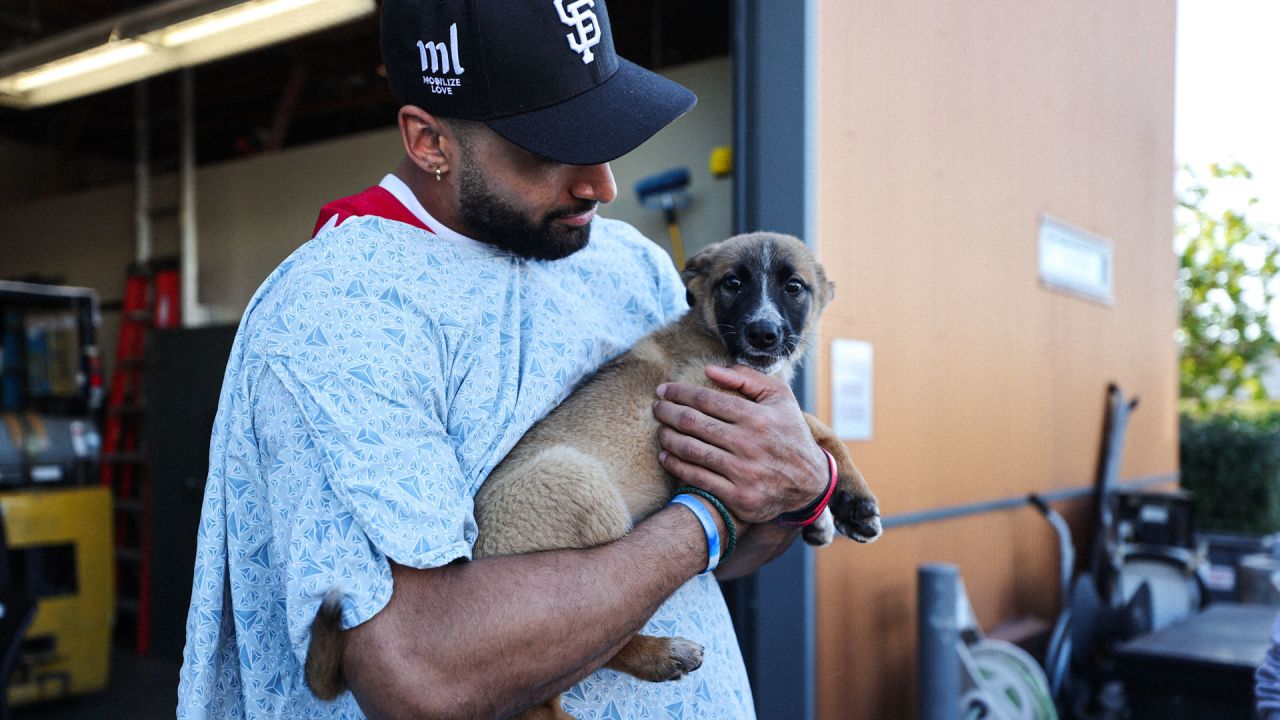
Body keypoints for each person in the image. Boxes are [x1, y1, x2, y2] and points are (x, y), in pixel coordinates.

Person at [176, 1, 833, 717]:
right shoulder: (341, 312)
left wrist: (800, 484)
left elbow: (732, 551)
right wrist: (703, 521)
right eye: (552, 145)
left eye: (606, 134)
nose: (602, 185)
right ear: (430, 141)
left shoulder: (628, 265)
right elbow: (421, 676)